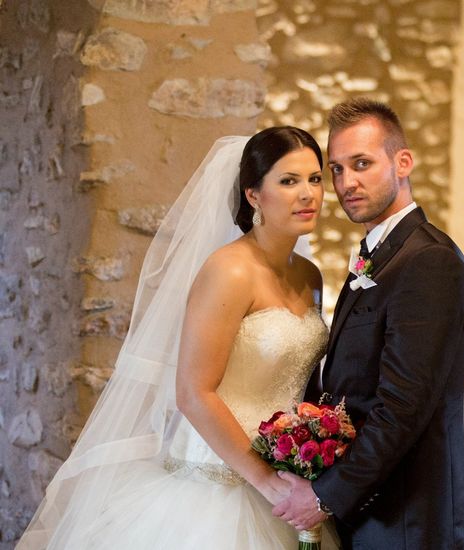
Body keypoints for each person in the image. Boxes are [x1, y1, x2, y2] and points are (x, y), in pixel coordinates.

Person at [17, 127, 336, 549]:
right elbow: (193, 392)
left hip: (288, 476)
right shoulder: (230, 270)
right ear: (254, 195)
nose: (308, 194)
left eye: (315, 179)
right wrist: (267, 484)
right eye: (289, 181)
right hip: (218, 482)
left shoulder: (308, 275)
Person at [274, 98, 464, 549]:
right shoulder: (378, 256)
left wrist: (325, 496)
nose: (347, 182)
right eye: (338, 170)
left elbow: (401, 409)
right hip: (365, 516)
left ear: (402, 162)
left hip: (403, 522)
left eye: (362, 163)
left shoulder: (429, 261)